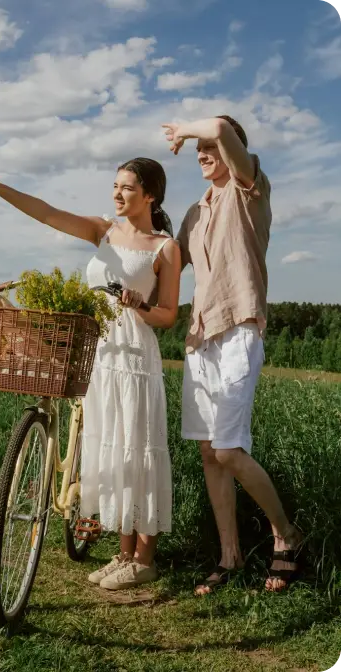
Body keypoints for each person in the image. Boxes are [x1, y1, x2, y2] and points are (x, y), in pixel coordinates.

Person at [0, 158, 181, 591]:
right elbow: (47, 212)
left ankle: (144, 559)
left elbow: (169, 315)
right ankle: (122, 554)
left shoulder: (164, 247)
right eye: (115, 186)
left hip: (135, 360)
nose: (117, 194)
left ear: (150, 195)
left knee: (138, 453)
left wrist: (138, 305)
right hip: (99, 354)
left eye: (127, 188)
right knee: (112, 453)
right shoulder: (103, 230)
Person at [162, 115, 303, 594]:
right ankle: (230, 555)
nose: (203, 154)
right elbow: (170, 263)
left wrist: (186, 129)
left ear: (234, 149)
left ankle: (286, 534)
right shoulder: (195, 211)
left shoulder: (250, 187)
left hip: (240, 327)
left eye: (209, 148)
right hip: (200, 336)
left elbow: (221, 127)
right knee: (208, 452)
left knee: (228, 448)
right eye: (196, 149)